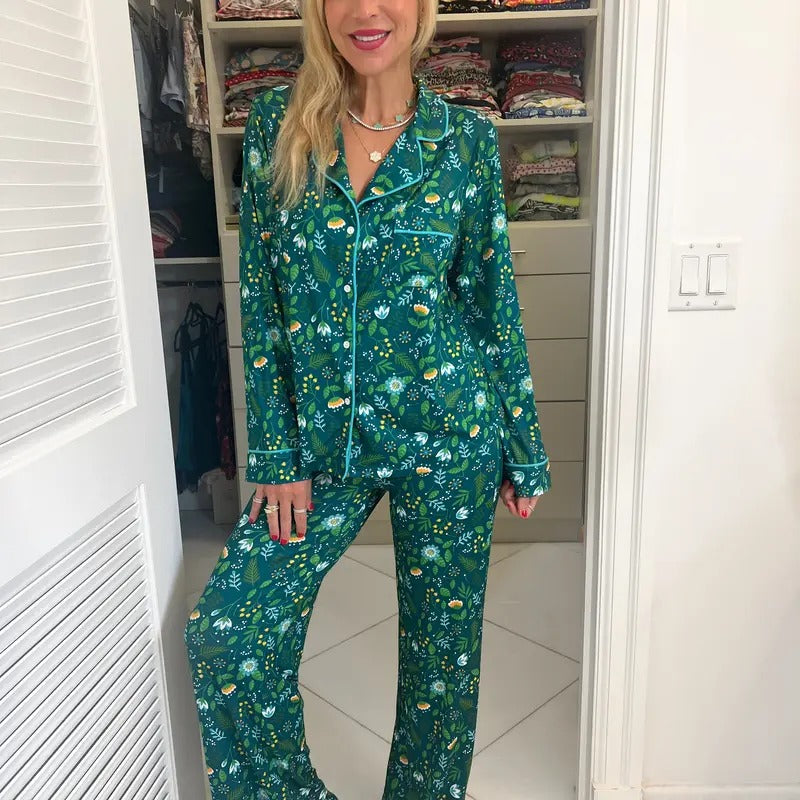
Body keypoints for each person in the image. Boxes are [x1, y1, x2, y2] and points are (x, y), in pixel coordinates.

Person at [184, 0, 551, 796]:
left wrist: (523, 445)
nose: (367, 11)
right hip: (321, 442)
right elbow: (263, 301)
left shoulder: (465, 141)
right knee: (229, 636)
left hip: (449, 434)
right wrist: (275, 454)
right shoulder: (277, 126)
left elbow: (490, 301)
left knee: (441, 669)